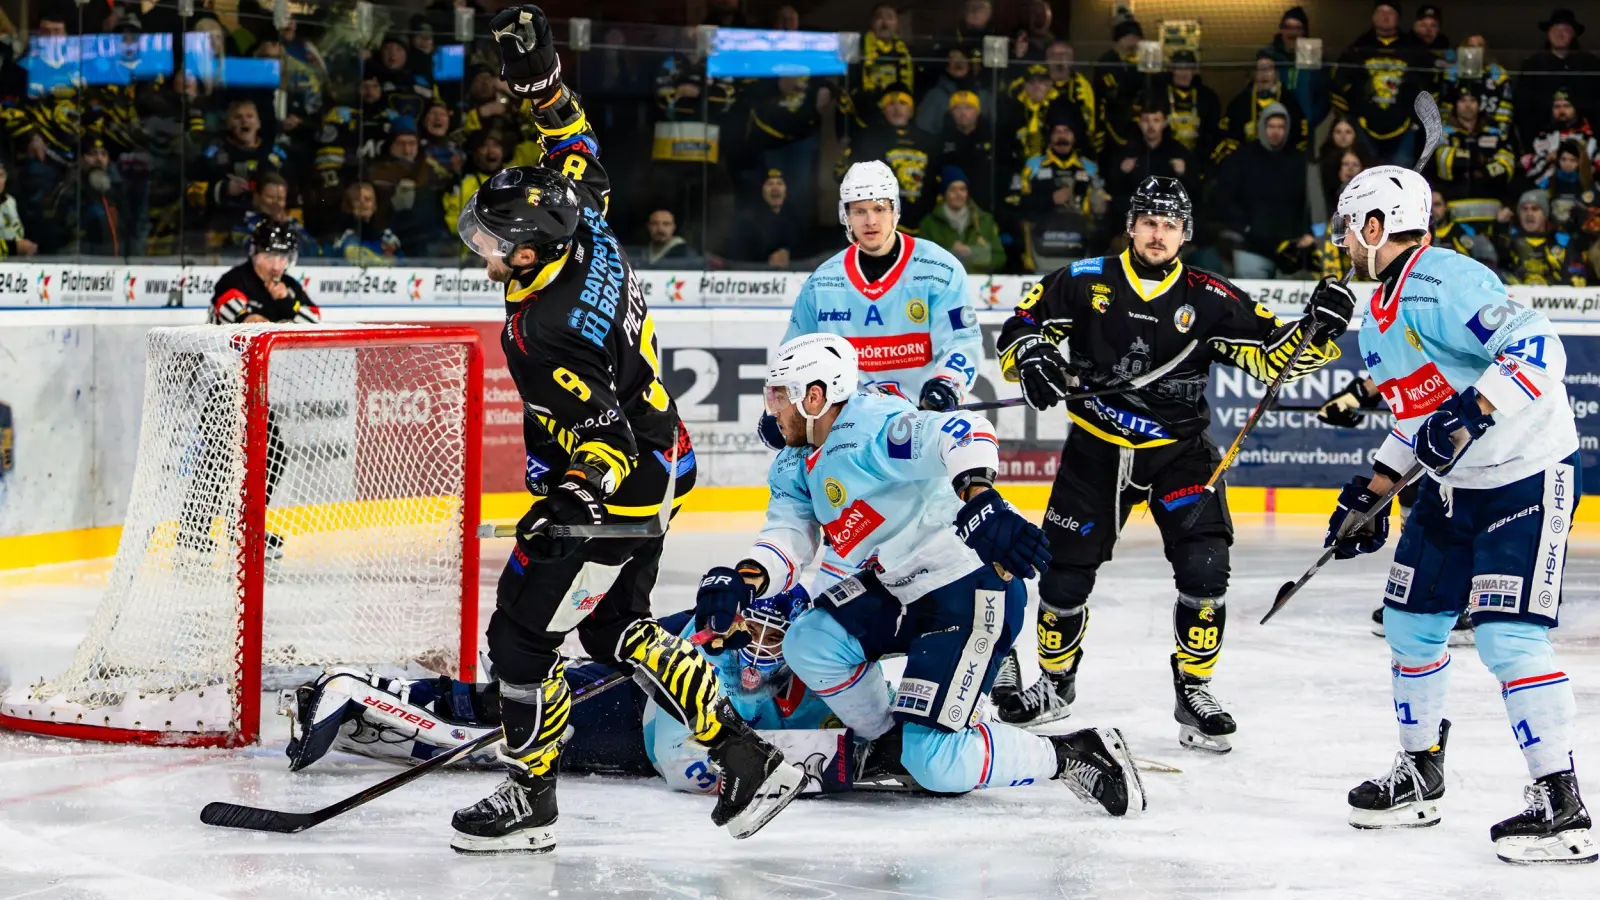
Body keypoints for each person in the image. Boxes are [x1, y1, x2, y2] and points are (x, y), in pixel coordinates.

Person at [448, 4, 804, 854]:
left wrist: (569, 496)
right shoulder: (586, 216)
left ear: (533, 249)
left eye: (496, 243)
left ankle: (531, 797)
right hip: (663, 462)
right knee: (614, 630)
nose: (486, 253)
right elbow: (573, 138)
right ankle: (745, 757)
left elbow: (601, 437)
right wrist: (538, 79)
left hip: (618, 484)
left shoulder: (546, 331)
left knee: (522, 633)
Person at [698, 332, 1145, 812]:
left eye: (779, 396)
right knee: (811, 641)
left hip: (969, 587)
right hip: (898, 587)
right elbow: (788, 535)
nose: (771, 410)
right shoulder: (795, 462)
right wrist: (744, 581)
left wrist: (982, 501)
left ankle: (1075, 752)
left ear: (815, 396)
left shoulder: (871, 425)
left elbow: (965, 432)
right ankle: (890, 743)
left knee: (937, 765)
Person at [988, 176, 1353, 749]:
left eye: (1170, 225)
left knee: (1206, 569)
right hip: (1096, 451)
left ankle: (1194, 689)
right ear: (1131, 225)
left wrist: (1319, 329)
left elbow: (1271, 360)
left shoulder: (1211, 296)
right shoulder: (1083, 280)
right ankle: (1055, 684)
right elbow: (1020, 328)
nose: (1158, 234)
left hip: (1181, 455)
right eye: (1149, 222)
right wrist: (1032, 361)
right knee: (1062, 578)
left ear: (1185, 234)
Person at [1322, 163, 1594, 865]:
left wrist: (1473, 410)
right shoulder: (1377, 315)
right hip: (1452, 487)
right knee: (1412, 626)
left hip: (1526, 477)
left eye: (1350, 229)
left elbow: (1540, 349)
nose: (1344, 243)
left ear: (1376, 226)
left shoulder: (1445, 278)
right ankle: (1420, 774)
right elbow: (1419, 421)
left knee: (1507, 639)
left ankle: (1562, 807)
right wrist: (1377, 487)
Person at [283, 594, 862, 792]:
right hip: (628, 709)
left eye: (771, 635)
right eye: (751, 629)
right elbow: (674, 756)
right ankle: (363, 691)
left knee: (502, 718)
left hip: (627, 728)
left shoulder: (819, 679)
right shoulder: (711, 639)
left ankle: (371, 697)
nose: (758, 644)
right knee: (502, 726)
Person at [773, 160, 983, 430]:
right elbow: (794, 357)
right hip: (848, 434)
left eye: (879, 209)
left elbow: (961, 341)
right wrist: (781, 412)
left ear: (895, 210)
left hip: (922, 426)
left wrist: (947, 383)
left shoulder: (940, 269)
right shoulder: (823, 282)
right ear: (845, 215)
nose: (870, 221)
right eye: (859, 211)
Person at [186, 221, 321, 560]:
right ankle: (194, 533)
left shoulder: (286, 286)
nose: (276, 266)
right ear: (254, 253)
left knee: (272, 454)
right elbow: (246, 321)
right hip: (215, 380)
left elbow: (314, 320)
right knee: (220, 455)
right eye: (269, 256)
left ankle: (244, 527)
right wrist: (279, 314)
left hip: (250, 384)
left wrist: (287, 303)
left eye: (283, 257)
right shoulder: (235, 280)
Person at [1210, 102, 1309, 279]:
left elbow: (1308, 202)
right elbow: (1225, 197)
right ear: (1262, 127)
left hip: (1289, 250)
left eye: (1281, 126)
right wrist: (1244, 227)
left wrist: (1303, 232)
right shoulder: (1241, 158)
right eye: (1271, 126)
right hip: (1250, 248)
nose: (1276, 131)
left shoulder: (1299, 161)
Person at [1332, 1, 1431, 166]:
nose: (1385, 17)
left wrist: (1416, 119)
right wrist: (1350, 116)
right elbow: (1337, 84)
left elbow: (1429, 84)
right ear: (1373, 17)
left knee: (1400, 181)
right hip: (1365, 127)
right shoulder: (1358, 47)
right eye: (1381, 12)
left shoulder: (1414, 48)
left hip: (1404, 128)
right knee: (1367, 179)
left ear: (1398, 18)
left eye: (1390, 12)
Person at [833, 83, 938, 233]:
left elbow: (935, 180)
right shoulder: (868, 137)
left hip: (923, 221)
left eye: (903, 103)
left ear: (911, 109)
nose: (897, 108)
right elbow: (840, 175)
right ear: (883, 110)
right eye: (890, 104)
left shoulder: (928, 140)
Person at [1014, 107, 1104, 271]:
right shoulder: (1033, 166)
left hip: (1079, 238)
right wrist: (1051, 199)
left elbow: (1101, 208)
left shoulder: (1089, 168)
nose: (1062, 136)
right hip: (1042, 237)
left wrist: (1100, 205)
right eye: (1057, 132)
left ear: (1075, 136)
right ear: (1049, 136)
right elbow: (1019, 204)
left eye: (1067, 131)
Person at [1432, 82, 1516, 230]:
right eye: (1463, 101)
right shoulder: (1442, 134)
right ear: (1455, 105)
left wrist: (1480, 172)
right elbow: (1444, 163)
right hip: (1453, 215)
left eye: (1472, 100)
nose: (1468, 105)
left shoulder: (1495, 133)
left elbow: (1506, 165)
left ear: (1479, 104)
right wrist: (1481, 160)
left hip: (1491, 215)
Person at [1515, 10, 1598, 150]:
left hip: (1583, 136)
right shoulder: (1533, 64)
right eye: (1555, 29)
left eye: (1565, 30)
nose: (1560, 34)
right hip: (1542, 137)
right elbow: (1522, 105)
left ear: (1573, 34)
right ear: (1548, 34)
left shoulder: (1590, 64)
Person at [1215, 52, 1310, 167]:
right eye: (1260, 69)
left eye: (1269, 69)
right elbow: (1228, 137)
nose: (1264, 74)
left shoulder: (1289, 101)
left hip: (1282, 165)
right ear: (1254, 74)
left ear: (1276, 73)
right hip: (1248, 166)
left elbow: (1300, 138)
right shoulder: (1240, 102)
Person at [1135, 51, 1222, 166]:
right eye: (1179, 68)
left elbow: (1213, 132)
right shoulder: (1157, 95)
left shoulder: (1207, 97)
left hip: (1197, 160)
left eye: (1188, 68)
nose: (1183, 73)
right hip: (1162, 160)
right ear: (1171, 70)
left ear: (1195, 70)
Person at [917, 167, 1004, 275]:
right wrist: (952, 253)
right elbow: (920, 261)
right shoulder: (929, 224)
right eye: (953, 189)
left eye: (963, 189)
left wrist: (971, 253)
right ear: (945, 193)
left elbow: (1000, 258)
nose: (958, 194)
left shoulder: (985, 221)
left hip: (979, 288)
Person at [1495, 190, 1591, 286]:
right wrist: (1500, 226)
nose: (1529, 214)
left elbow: (1577, 274)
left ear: (1545, 214)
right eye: (1524, 209)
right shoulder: (1509, 241)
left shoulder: (1562, 241)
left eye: (1535, 209)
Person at [1261, 6, 1331, 132]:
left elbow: (1324, 96)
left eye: (1297, 28)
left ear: (1304, 32)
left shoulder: (1313, 57)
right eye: (1287, 27)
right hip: (1273, 129)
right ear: (1281, 30)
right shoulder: (1268, 56)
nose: (1292, 33)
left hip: (1305, 129)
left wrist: (1310, 121)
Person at [724, 169, 804, 269]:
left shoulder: (796, 219)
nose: (775, 188)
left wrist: (787, 254)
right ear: (762, 189)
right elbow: (739, 255)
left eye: (780, 183)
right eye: (770, 184)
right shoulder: (747, 219)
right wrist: (767, 259)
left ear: (786, 190)